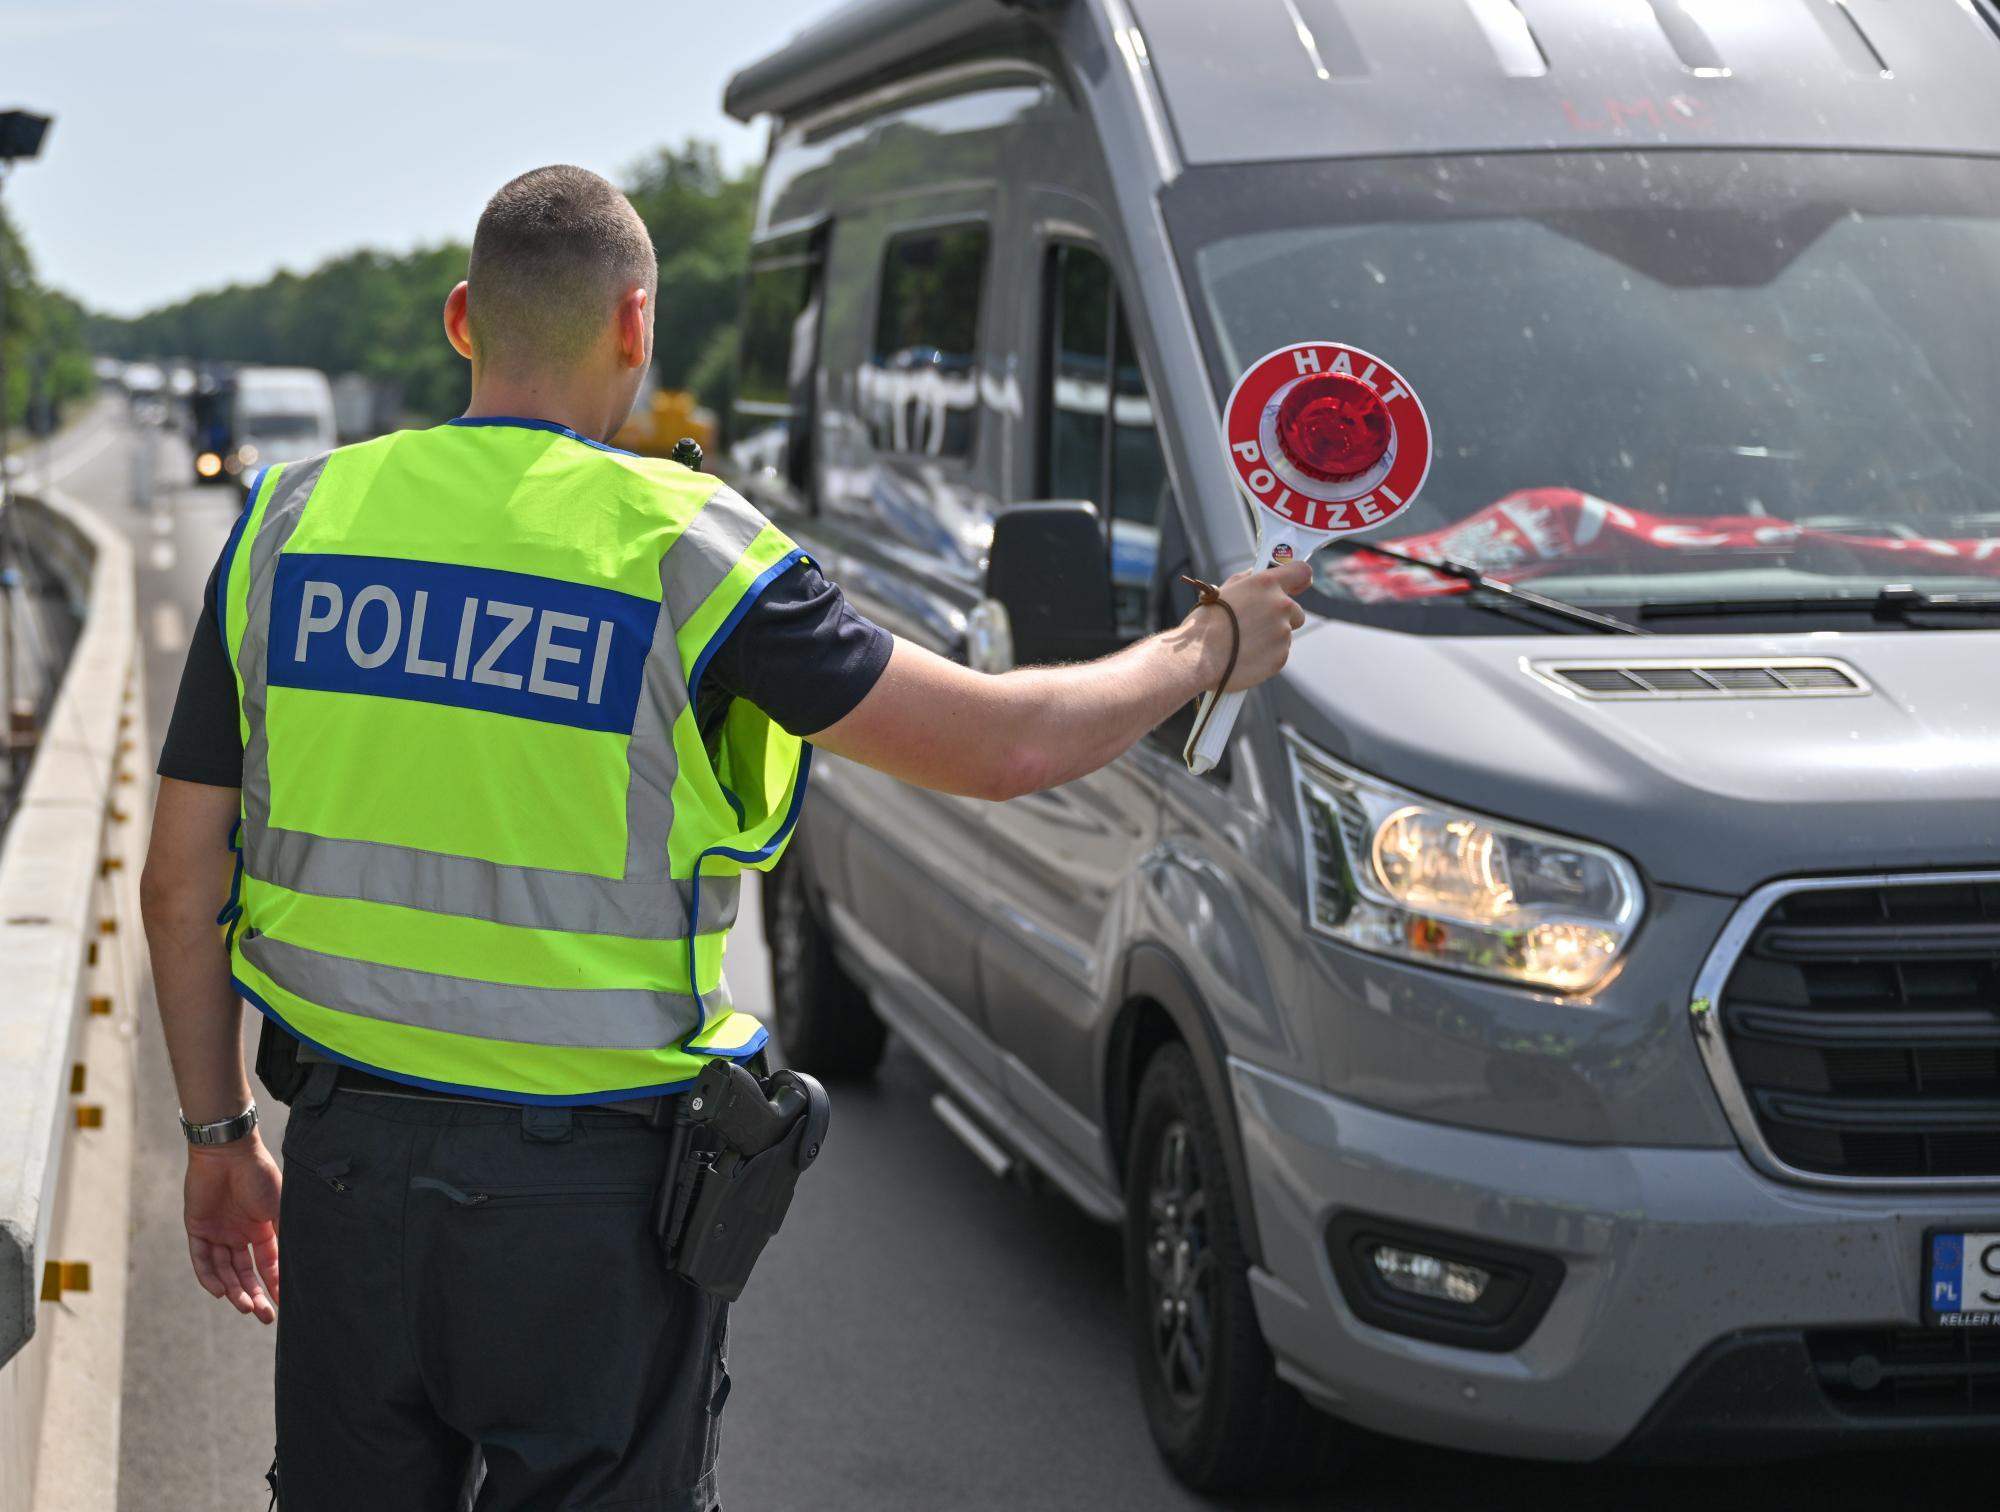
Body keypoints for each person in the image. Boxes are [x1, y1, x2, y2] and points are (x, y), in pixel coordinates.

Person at [139, 164, 1308, 1512]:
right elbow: (1006, 745)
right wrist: (1209, 643)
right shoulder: (693, 553)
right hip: (589, 1211)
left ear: (462, 318)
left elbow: (183, 890)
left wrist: (220, 1136)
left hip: (349, 1174)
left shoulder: (289, 525)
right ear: (637, 326)